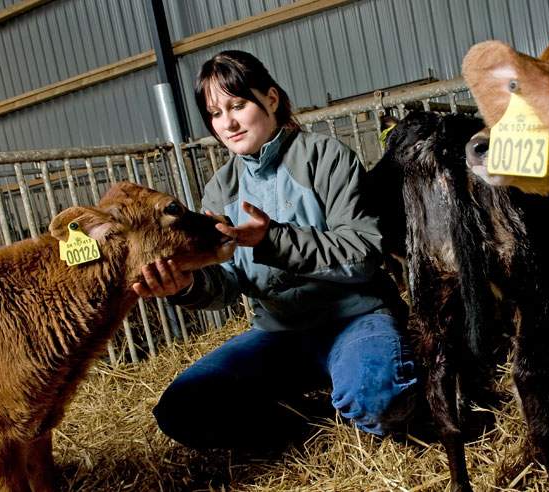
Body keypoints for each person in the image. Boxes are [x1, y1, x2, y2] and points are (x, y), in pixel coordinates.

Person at [132, 50, 417, 450]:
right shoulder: (220, 187)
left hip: (355, 318)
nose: (227, 123)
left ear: (270, 99)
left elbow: (364, 254)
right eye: (215, 114)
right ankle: (303, 430)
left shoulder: (327, 158)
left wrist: (273, 241)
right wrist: (186, 286)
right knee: (182, 409)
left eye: (237, 105)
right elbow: (228, 283)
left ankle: (354, 390)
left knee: (378, 398)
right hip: (277, 331)